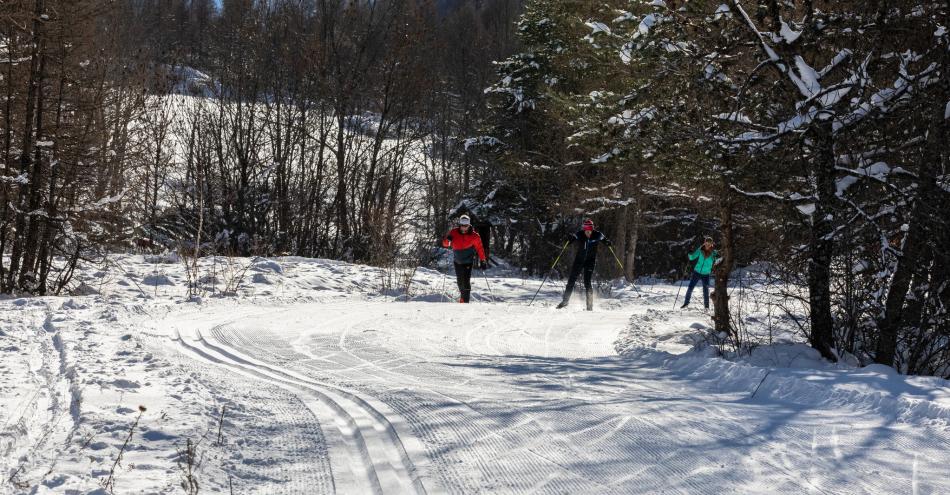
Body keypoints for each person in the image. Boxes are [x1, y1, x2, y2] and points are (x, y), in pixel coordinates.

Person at [557, 219, 611, 311]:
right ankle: (565, 301)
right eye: (587, 231)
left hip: (590, 261)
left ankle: (589, 306)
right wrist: (569, 239)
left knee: (587, 282)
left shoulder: (597, 235)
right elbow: (572, 239)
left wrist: (608, 243)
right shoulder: (580, 234)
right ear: (584, 230)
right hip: (579, 260)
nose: (588, 233)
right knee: (571, 280)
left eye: (590, 231)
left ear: (592, 230)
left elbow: (605, 240)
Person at [441, 215, 487, 303]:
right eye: (462, 225)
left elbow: (480, 248)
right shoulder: (454, 232)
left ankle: (465, 301)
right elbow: (445, 244)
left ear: (469, 225)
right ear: (460, 225)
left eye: (466, 226)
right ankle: (462, 297)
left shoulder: (474, 236)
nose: (464, 228)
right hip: (457, 261)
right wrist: (448, 240)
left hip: (468, 261)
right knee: (459, 281)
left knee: (466, 281)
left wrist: (483, 260)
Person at [681, 236, 719, 310]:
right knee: (690, 288)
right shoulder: (700, 250)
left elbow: (718, 260)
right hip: (697, 272)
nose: (707, 245)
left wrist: (718, 257)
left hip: (706, 274)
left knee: (705, 290)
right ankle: (686, 303)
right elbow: (692, 257)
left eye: (709, 244)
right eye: (706, 243)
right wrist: (690, 252)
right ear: (704, 243)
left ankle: (706, 307)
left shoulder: (713, 253)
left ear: (712, 244)